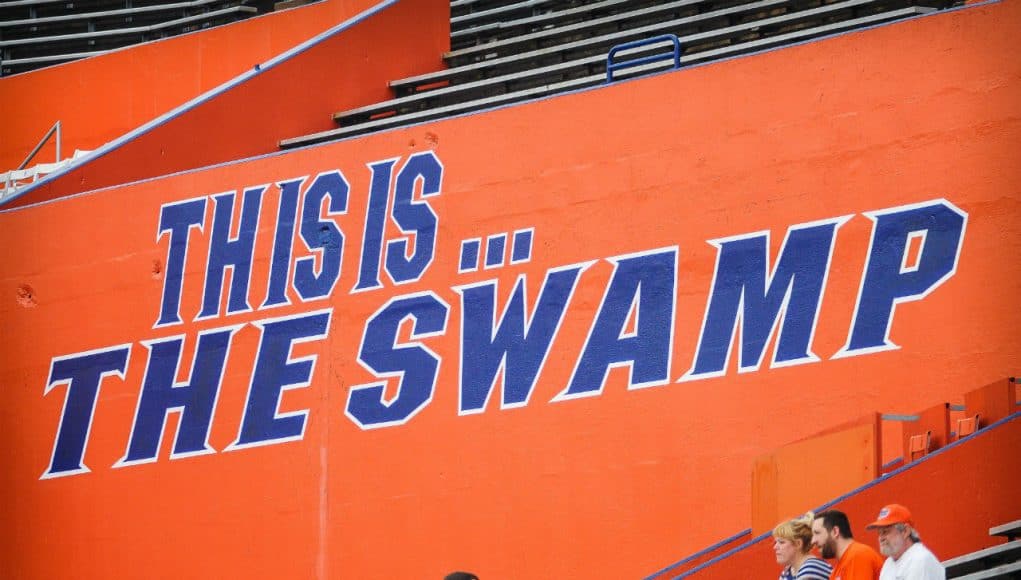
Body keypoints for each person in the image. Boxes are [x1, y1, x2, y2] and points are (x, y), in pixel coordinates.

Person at [865, 504, 945, 580]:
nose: (881, 538)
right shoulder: (888, 563)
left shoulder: (919, 559)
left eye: (885, 532)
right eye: (879, 533)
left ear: (905, 531)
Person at [812, 509, 884, 580]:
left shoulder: (858, 555)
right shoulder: (837, 571)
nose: (813, 541)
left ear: (835, 532)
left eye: (817, 533)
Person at [774, 512, 833, 580]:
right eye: (775, 542)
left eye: (781, 542)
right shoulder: (786, 573)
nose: (775, 547)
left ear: (798, 544)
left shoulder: (810, 569)